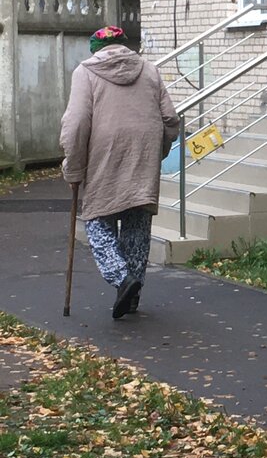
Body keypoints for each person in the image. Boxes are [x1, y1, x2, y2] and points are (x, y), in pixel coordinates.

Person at [60, 26, 180, 319]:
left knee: (96, 221)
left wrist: (73, 168)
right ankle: (132, 295)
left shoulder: (85, 73)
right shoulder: (149, 70)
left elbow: (76, 124)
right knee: (136, 224)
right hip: (143, 155)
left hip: (104, 157)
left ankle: (122, 279)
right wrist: (158, 152)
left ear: (95, 49)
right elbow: (170, 119)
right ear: (125, 45)